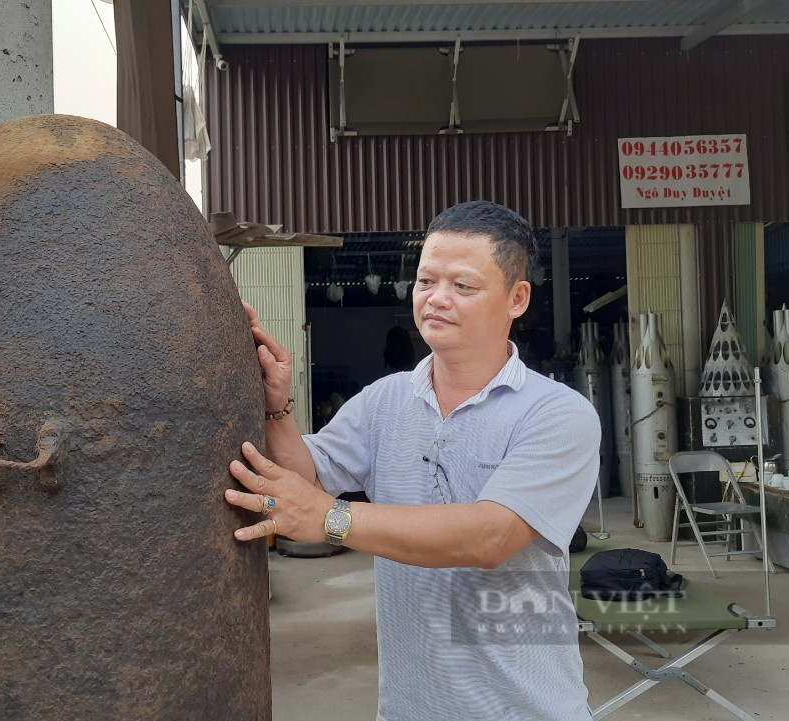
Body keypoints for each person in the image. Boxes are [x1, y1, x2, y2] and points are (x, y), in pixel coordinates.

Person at [225, 200, 600, 721]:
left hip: (524, 707)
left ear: (516, 298)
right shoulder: (385, 400)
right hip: (410, 706)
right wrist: (277, 410)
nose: (437, 300)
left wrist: (330, 518)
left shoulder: (557, 413)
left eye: (463, 286)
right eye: (426, 282)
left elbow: (490, 537)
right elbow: (305, 476)